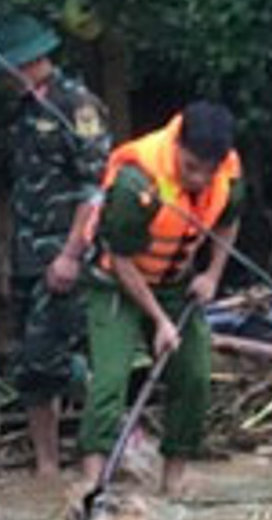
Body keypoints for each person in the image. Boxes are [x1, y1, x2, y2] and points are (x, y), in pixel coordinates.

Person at [74, 101, 242, 498]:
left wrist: (212, 275)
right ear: (178, 147)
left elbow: (230, 220)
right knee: (111, 379)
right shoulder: (138, 181)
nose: (200, 179)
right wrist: (159, 321)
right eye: (190, 168)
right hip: (115, 280)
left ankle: (174, 478)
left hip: (174, 282)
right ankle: (91, 483)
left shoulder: (228, 173)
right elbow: (120, 258)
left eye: (208, 170)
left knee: (195, 373)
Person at [0, 10, 110, 479]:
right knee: (30, 365)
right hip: (27, 255)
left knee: (54, 359)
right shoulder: (21, 111)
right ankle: (46, 466)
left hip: (65, 255)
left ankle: (109, 439)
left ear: (33, 60)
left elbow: (95, 188)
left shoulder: (76, 105)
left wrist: (71, 254)